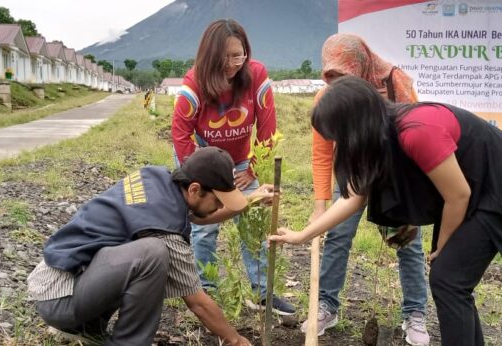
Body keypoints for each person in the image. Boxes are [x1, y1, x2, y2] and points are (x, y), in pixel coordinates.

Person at [271, 76, 502, 346]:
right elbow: (353, 198)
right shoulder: (378, 137)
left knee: (449, 281)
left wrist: (443, 248)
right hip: (468, 188)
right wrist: (302, 236)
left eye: (338, 136)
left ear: (355, 127)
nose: (339, 145)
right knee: (451, 282)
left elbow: (458, 195)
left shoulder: (416, 131)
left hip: (499, 184)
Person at [27, 147, 269, 346]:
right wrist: (235, 340)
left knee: (144, 254)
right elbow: (197, 302)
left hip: (65, 279)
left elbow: (198, 215)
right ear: (195, 189)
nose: (219, 207)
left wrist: (250, 200)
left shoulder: (159, 180)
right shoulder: (165, 230)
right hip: (60, 298)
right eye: (218, 200)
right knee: (152, 254)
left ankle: (89, 328)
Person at [308, 33, 430, 344]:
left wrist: (412, 203)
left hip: (396, 173)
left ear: (361, 65)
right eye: (330, 76)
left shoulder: (393, 82)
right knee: (337, 234)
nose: (336, 84)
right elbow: (322, 153)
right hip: (351, 172)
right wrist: (321, 205)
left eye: (342, 76)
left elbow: (418, 135)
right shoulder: (326, 99)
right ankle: (327, 306)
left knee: (407, 240)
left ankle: (415, 313)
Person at [171, 18, 295, 315]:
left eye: (238, 56)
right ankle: (207, 292)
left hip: (241, 163)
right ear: (209, 57)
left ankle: (262, 293)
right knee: (204, 227)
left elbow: (267, 128)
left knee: (251, 221)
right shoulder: (193, 84)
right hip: (202, 162)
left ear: (246, 53)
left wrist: (251, 168)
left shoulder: (256, 75)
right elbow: (180, 134)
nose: (231, 64)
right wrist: (202, 177)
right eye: (223, 58)